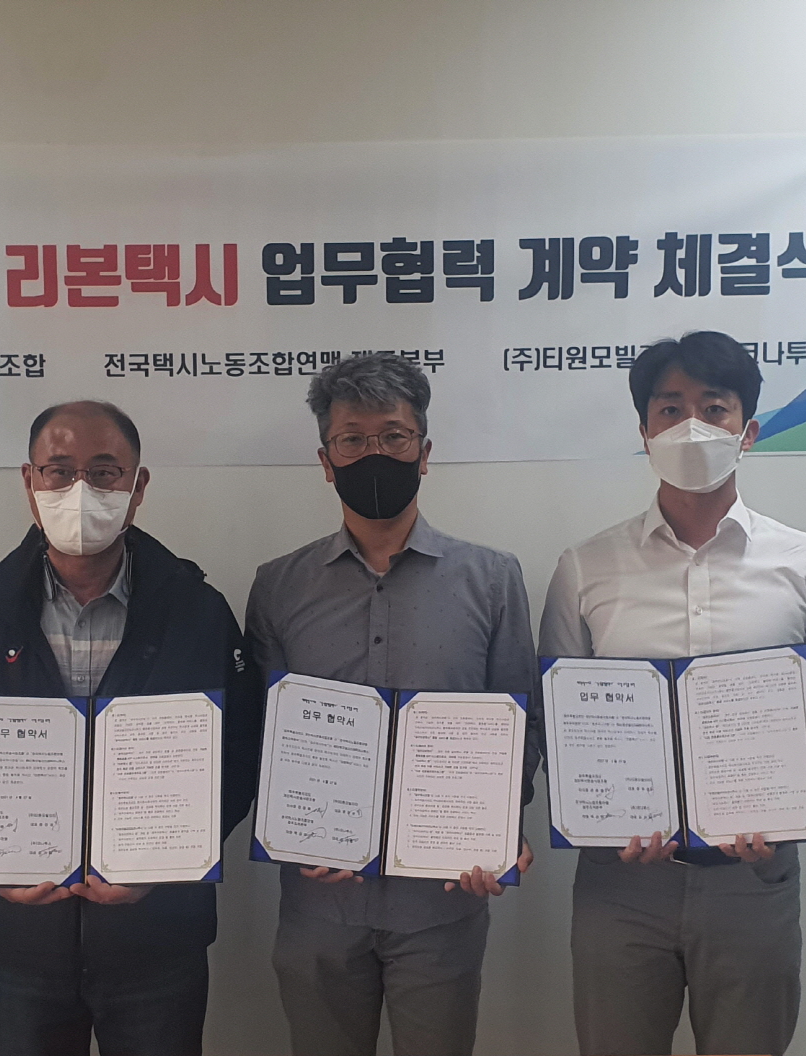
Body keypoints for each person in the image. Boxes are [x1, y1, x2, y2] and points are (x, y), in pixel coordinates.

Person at [539, 331, 806, 1056]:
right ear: (644, 432)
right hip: (619, 882)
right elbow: (555, 720)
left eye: (714, 408)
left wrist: (789, 788)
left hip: (752, 879)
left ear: (748, 431)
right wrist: (602, 806)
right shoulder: (585, 567)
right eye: (669, 409)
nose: (691, 426)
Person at [0, 400, 264, 1056]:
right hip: (22, 943)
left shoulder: (197, 610)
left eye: (105, 472)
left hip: (158, 939)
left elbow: (240, 755)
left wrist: (170, 863)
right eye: (59, 471)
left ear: (138, 486)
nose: (80, 491)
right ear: (29, 481)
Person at [245, 354, 539, 1056]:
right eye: (351, 439)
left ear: (424, 452)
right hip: (319, 904)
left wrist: (499, 827)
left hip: (443, 899)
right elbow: (262, 734)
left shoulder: (492, 579)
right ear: (326, 461)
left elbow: (519, 726)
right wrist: (293, 826)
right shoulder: (278, 585)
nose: (373, 453)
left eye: (393, 436)